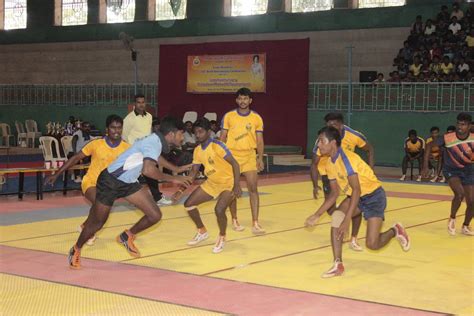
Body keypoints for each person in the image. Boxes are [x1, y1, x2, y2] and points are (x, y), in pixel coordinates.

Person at [67, 117, 192, 269]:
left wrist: (176, 169)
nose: (182, 138)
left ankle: (126, 236)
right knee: (97, 223)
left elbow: (155, 156)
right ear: (171, 134)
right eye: (181, 134)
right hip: (111, 181)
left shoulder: (155, 141)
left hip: (128, 182)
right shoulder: (154, 141)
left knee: (154, 215)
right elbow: (148, 170)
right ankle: (76, 248)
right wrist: (175, 178)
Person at [305, 126, 410, 278]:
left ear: (333, 143)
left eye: (321, 141)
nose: (318, 145)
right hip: (356, 197)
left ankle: (396, 230)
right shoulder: (329, 163)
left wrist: (347, 220)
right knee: (336, 218)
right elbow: (334, 194)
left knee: (372, 244)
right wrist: (317, 215)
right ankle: (338, 264)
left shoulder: (348, 160)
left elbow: (356, 190)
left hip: (374, 197)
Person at [46, 115, 130, 246]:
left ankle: (85, 225)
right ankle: (89, 232)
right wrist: (56, 174)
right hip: (90, 182)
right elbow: (75, 158)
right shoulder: (96, 144)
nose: (116, 131)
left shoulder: (126, 148)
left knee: (101, 207)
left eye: (119, 128)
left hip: (109, 187)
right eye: (113, 128)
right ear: (107, 129)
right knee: (99, 204)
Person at [176, 118, 242, 253]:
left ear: (208, 132)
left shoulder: (217, 145)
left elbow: (235, 164)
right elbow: (193, 173)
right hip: (212, 183)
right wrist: (181, 190)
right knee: (188, 204)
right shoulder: (197, 150)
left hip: (227, 183)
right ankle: (202, 231)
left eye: (201, 132)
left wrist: (237, 185)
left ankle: (222, 236)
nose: (198, 135)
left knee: (219, 210)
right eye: (196, 132)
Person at [311, 113, 374, 251]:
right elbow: (314, 163)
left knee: (353, 202)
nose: (329, 128)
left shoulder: (354, 135)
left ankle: (353, 237)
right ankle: (344, 216)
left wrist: (370, 169)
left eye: (332, 125)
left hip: (349, 175)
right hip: (330, 173)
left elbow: (369, 149)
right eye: (327, 125)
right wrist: (315, 184)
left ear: (341, 125)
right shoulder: (323, 139)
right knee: (333, 209)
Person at [220, 87, 265, 234]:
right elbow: (222, 138)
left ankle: (255, 222)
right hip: (232, 157)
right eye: (240, 98)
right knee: (233, 189)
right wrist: (221, 155)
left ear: (250, 100)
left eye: (245, 98)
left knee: (253, 189)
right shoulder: (229, 116)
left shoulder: (256, 118)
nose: (243, 101)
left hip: (249, 156)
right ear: (236, 100)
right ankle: (234, 219)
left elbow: (259, 140)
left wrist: (260, 157)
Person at [423, 113, 473, 236]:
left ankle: (466, 226)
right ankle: (452, 217)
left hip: (469, 170)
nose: (460, 127)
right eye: (458, 124)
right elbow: (429, 145)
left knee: (472, 202)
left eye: (463, 124)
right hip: (452, 170)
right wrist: (425, 166)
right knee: (459, 193)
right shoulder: (447, 138)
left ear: (470, 126)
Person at [123, 94, 171, 205]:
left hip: (147, 151)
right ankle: (135, 199)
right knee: (134, 176)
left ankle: (157, 198)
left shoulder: (149, 116)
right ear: (134, 104)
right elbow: (124, 136)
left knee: (151, 174)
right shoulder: (129, 118)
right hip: (135, 151)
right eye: (138, 102)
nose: (141, 104)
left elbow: (148, 133)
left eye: (143, 102)